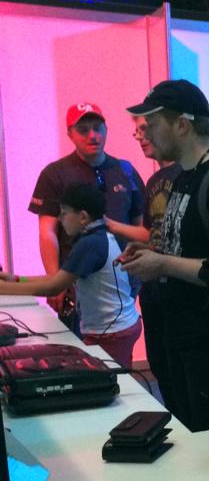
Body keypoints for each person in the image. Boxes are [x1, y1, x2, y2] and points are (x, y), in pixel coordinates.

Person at [118, 80, 209, 447]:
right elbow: (186, 248)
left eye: (153, 123)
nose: (145, 132)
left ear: (181, 125)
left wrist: (161, 264)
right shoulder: (182, 179)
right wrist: (152, 253)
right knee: (190, 441)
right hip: (181, 340)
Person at [28, 101, 145, 325]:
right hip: (76, 285)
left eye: (97, 128)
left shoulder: (125, 171)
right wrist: (55, 281)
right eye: (83, 130)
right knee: (78, 344)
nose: (92, 136)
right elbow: (47, 233)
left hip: (122, 285)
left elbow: (140, 227)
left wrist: (138, 274)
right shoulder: (55, 174)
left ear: (106, 130)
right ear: (70, 134)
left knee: (119, 341)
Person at [0, 184, 141, 367]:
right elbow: (60, 276)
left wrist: (5, 289)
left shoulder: (89, 244)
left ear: (83, 217)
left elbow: (54, 287)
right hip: (118, 327)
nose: (60, 219)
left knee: (105, 377)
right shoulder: (98, 236)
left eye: (64, 213)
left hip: (112, 332)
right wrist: (17, 279)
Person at [107, 115, 182, 411]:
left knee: (185, 381)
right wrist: (142, 248)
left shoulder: (191, 176)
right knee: (164, 373)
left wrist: (111, 225)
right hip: (155, 294)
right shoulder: (153, 181)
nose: (138, 135)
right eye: (136, 129)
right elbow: (155, 234)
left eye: (144, 128)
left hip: (182, 298)